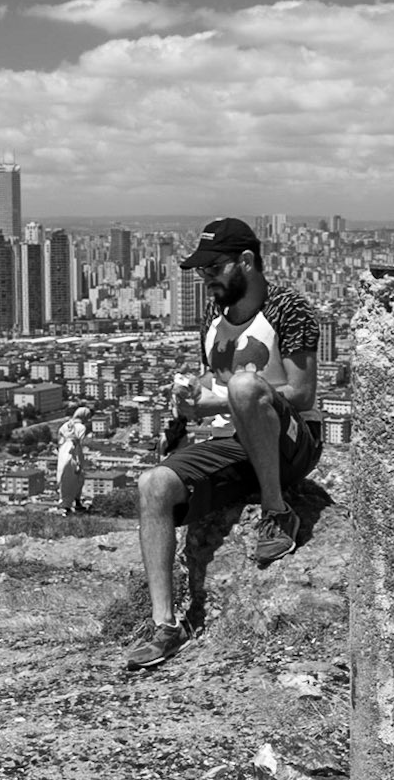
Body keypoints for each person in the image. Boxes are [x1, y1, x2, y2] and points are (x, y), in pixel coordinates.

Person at [123, 217, 323, 669]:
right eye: (202, 271)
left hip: (293, 441)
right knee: (152, 485)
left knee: (247, 387)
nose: (206, 279)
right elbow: (214, 386)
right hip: (235, 444)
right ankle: (165, 626)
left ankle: (277, 511)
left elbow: (304, 393)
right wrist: (193, 400)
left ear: (247, 262)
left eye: (214, 268)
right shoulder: (212, 323)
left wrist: (227, 399)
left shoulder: (287, 309)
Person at [56, 405, 91, 513]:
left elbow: (59, 440)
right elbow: (81, 442)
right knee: (74, 478)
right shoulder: (81, 427)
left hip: (63, 453)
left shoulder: (65, 425)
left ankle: (70, 502)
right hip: (74, 452)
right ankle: (68, 504)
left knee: (66, 477)